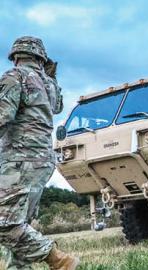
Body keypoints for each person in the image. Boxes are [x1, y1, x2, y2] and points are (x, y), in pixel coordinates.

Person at [0, 36, 79, 269]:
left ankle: (58, 259)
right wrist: (51, 76)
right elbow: (57, 106)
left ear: (15, 57)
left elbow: (2, 117)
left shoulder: (14, 77)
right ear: (41, 58)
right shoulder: (49, 84)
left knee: (5, 223)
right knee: (22, 223)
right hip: (42, 161)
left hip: (19, 159)